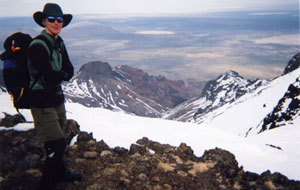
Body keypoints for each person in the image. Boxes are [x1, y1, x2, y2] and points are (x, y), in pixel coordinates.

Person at [27, 3, 82, 190]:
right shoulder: (38, 45)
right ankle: (47, 184)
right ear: (44, 21)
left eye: (59, 19)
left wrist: (60, 74)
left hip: (57, 99)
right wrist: (61, 75)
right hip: (42, 102)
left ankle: (60, 173)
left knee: (58, 141)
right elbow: (51, 76)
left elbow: (69, 69)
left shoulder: (58, 42)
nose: (56, 22)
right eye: (51, 19)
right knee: (56, 144)